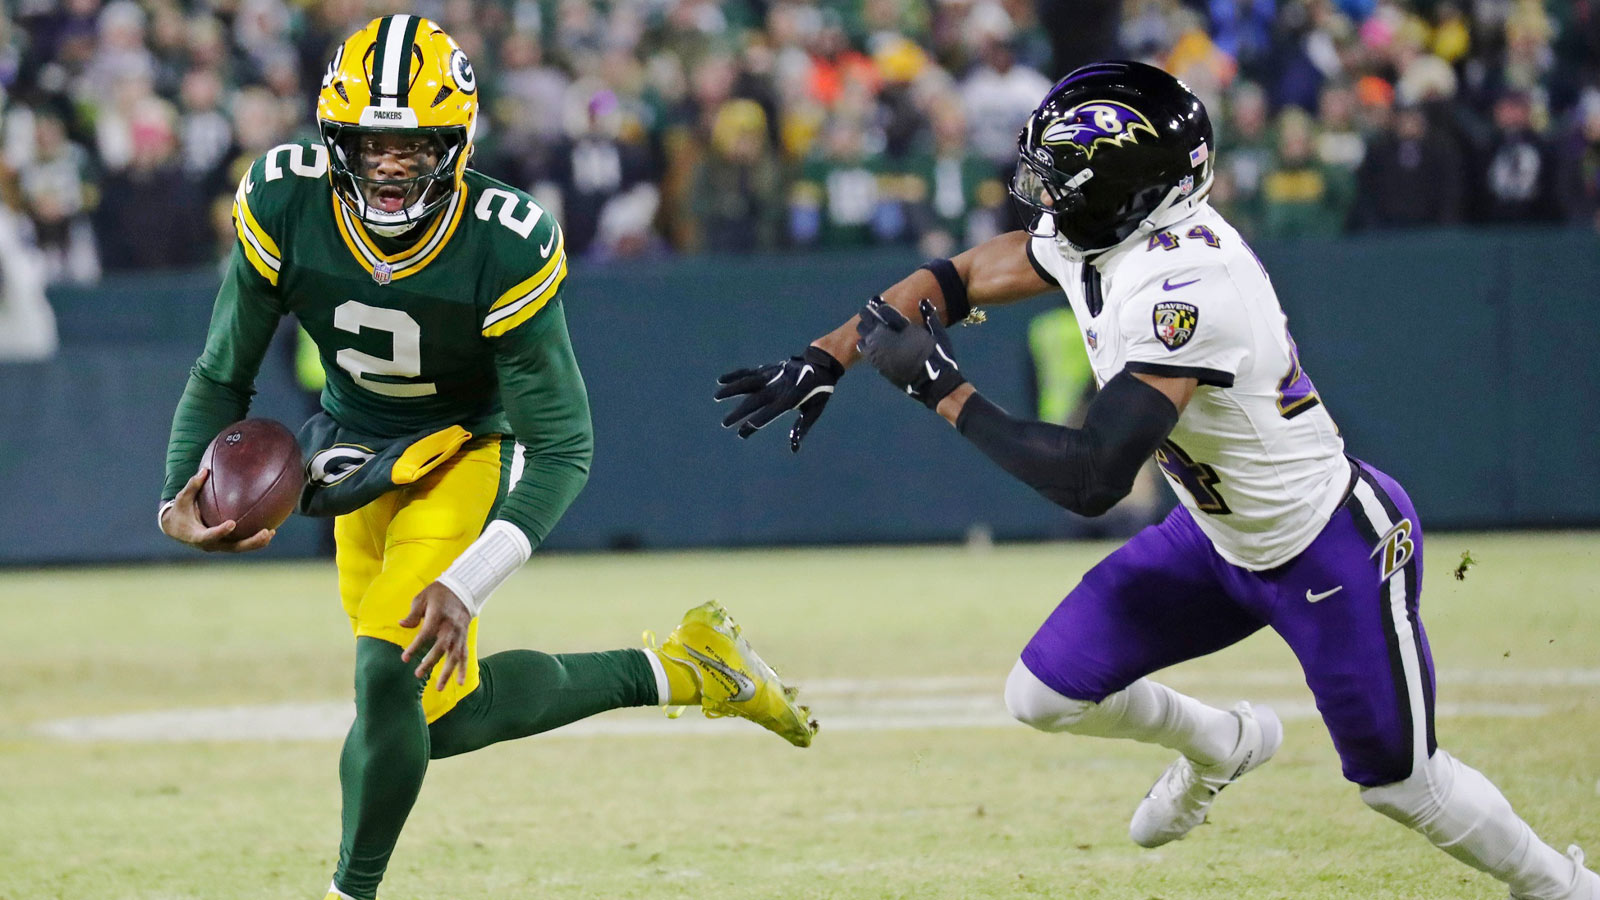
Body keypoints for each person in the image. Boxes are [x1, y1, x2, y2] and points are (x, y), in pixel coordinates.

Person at [716, 61, 1598, 900]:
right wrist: (826, 355)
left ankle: (1562, 886)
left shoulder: (1189, 284)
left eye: (1064, 176)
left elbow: (1095, 478)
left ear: (1125, 187)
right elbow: (955, 278)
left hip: (1324, 546)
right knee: (1044, 695)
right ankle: (1222, 742)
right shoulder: (1106, 233)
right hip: (1216, 539)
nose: (1045, 196)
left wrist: (941, 388)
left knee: (1405, 786)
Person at [157, 17, 816, 900]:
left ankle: (350, 892)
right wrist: (178, 494)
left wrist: (471, 581)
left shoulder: (504, 238)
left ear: (457, 143)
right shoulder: (281, 197)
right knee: (440, 717)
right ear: (330, 140)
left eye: (413, 145)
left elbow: (565, 446)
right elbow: (220, 371)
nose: (389, 167)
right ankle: (689, 669)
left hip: (465, 450)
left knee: (386, 675)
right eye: (369, 144)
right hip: (354, 458)